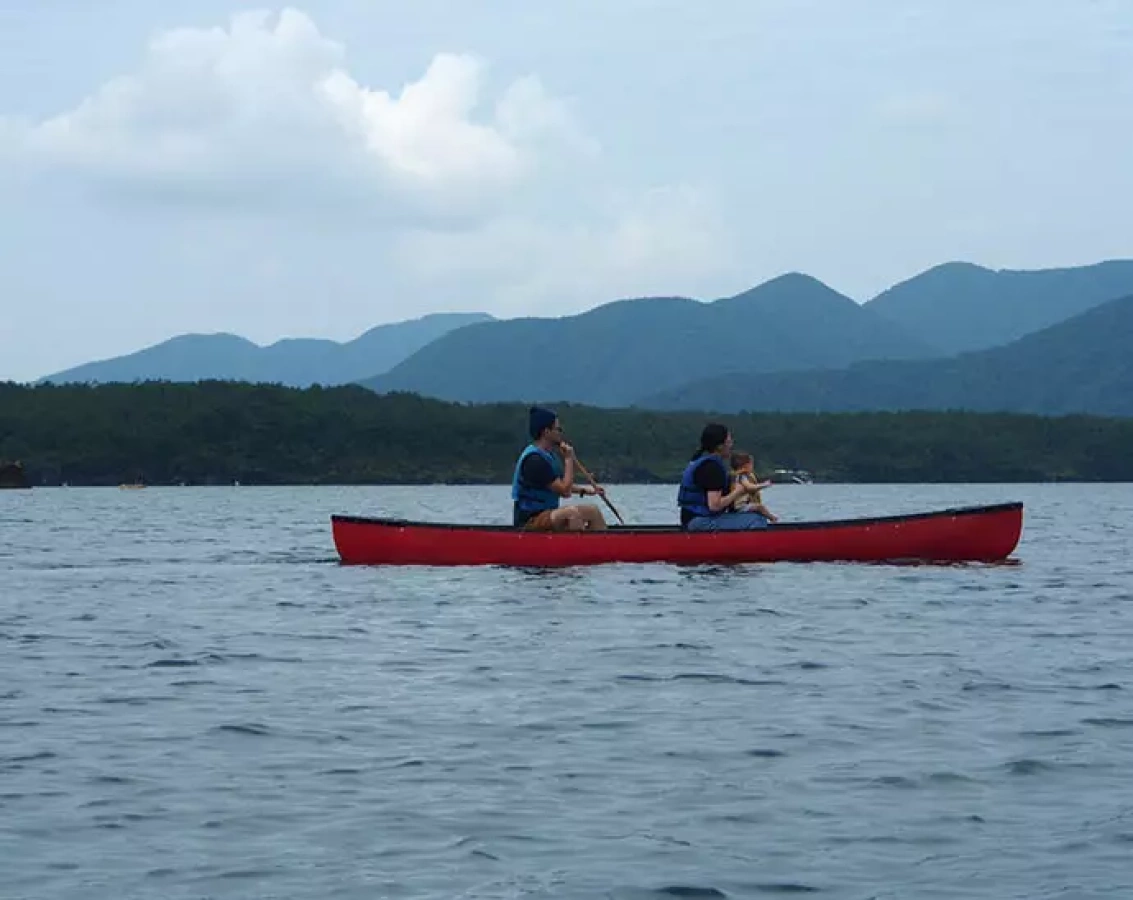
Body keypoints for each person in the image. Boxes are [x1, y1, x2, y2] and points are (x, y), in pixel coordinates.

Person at [511, 406, 609, 531]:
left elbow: (557, 484)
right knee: (571, 513)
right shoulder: (534, 460)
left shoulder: (548, 455)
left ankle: (602, 547)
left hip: (548, 514)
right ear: (546, 432)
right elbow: (565, 491)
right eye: (558, 429)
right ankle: (579, 548)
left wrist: (586, 490)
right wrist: (568, 460)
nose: (561, 433)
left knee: (592, 511)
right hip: (530, 520)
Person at [676, 423, 772, 531]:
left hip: (692, 519)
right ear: (720, 446)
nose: (731, 444)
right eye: (729, 441)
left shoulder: (702, 460)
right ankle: (742, 547)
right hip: (700, 521)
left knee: (751, 514)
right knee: (757, 520)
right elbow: (714, 506)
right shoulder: (712, 468)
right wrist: (738, 492)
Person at [730, 452, 779, 523]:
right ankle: (772, 518)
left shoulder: (741, 476)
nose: (752, 466)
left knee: (758, 507)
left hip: (742, 506)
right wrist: (764, 485)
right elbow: (749, 487)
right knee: (760, 507)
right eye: (751, 464)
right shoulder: (741, 476)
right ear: (745, 466)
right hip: (740, 506)